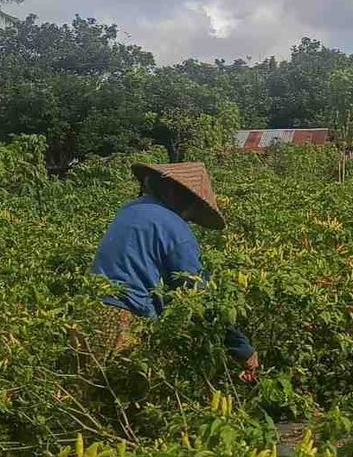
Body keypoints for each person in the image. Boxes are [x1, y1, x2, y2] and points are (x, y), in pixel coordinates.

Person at [90, 161, 260, 380]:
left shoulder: (131, 208)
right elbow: (198, 295)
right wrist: (242, 349)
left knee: (91, 393)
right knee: (131, 395)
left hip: (90, 308)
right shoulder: (177, 230)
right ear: (186, 200)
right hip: (124, 319)